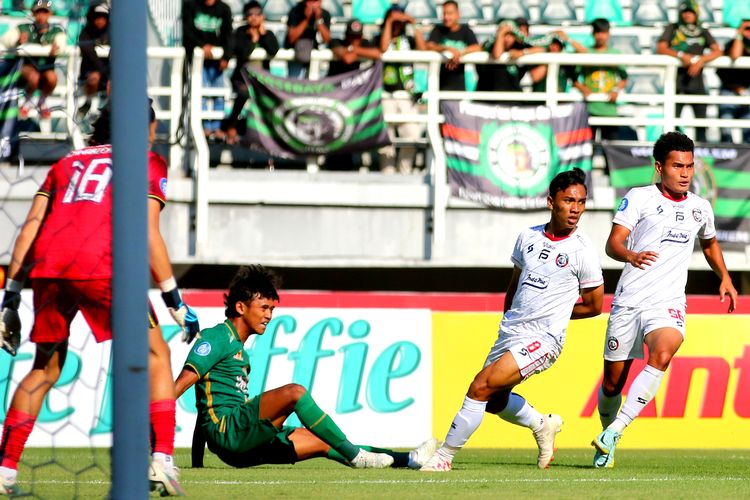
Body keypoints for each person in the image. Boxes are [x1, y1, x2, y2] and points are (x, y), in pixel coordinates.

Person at [0, 102, 201, 496]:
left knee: (43, 368)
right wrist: (173, 298)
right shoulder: (146, 161)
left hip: (49, 266)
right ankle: (161, 459)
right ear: (144, 128)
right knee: (156, 354)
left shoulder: (67, 163)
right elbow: (148, 233)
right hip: (103, 265)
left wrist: (9, 298)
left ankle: (4, 469)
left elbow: (30, 227)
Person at [420, 168, 604, 472]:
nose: (575, 209)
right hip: (512, 331)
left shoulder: (583, 251)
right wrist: (509, 316)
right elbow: (515, 283)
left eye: (581, 202)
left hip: (545, 338)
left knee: (479, 387)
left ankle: (444, 456)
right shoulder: (527, 237)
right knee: (491, 400)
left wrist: (556, 314)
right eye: (568, 200)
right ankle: (542, 424)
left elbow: (594, 306)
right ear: (550, 201)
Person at [175, 265, 438, 470]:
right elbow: (183, 384)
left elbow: (203, 406)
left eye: (272, 309)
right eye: (264, 307)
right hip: (229, 432)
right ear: (240, 307)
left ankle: (410, 459)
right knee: (294, 392)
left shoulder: (240, 350)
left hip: (240, 442)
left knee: (326, 440)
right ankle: (359, 458)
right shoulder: (218, 337)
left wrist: (197, 462)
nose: (269, 315)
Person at [592, 131, 738, 469]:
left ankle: (615, 431)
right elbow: (613, 243)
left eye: (689, 166)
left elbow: (710, 243)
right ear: (660, 167)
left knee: (664, 350)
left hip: (668, 302)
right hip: (630, 301)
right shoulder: (639, 198)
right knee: (613, 383)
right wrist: (630, 255)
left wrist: (726, 278)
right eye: (678, 166)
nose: (685, 173)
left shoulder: (700, 207)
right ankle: (607, 436)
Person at [656, 1, 721, 143]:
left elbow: (717, 51)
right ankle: (673, 156)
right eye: (684, 12)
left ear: (696, 13)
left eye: (690, 12)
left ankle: (702, 158)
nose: (687, 15)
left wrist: (701, 60)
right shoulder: (673, 28)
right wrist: (681, 55)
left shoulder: (702, 29)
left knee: (701, 125)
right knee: (673, 126)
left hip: (697, 84)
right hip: (676, 83)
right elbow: (661, 47)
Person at [375, 5, 426, 174]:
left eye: (399, 21)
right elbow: (383, 48)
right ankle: (387, 172)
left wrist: (413, 23)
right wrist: (390, 21)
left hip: (406, 94)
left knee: (412, 134)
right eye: (393, 20)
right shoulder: (379, 37)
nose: (397, 24)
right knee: (385, 138)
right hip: (385, 93)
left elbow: (423, 50)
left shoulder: (408, 39)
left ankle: (405, 171)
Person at [221, 1, 279, 145]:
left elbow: (273, 50)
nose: (253, 17)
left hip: (262, 79)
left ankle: (262, 132)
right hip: (242, 78)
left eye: (257, 14)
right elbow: (242, 53)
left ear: (262, 16)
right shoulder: (240, 33)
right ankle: (231, 125)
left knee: (268, 100)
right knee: (243, 93)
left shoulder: (268, 33)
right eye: (250, 14)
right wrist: (252, 41)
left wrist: (262, 35)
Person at [0, 0, 67, 119]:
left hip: (45, 72)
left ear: (50, 13)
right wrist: (17, 40)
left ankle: (41, 101)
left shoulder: (56, 31)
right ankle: (27, 103)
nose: (41, 16)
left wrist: (57, 47)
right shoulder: (23, 28)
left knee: (52, 78)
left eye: (45, 12)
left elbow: (61, 44)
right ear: (33, 13)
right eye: (38, 12)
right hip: (25, 71)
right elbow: (5, 40)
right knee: (33, 76)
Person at [182, 0, 233, 141]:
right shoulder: (190, 5)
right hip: (197, 60)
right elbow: (187, 31)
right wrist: (201, 45)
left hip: (216, 62)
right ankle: (203, 127)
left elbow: (228, 34)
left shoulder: (224, 9)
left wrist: (226, 56)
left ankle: (216, 128)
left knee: (218, 93)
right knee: (201, 92)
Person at [571, 19, 628, 142]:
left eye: (603, 32)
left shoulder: (615, 54)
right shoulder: (585, 53)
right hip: (589, 109)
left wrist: (616, 90)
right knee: (587, 148)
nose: (600, 36)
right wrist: (582, 88)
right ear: (593, 34)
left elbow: (624, 78)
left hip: (610, 110)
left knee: (610, 150)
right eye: (597, 32)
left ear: (608, 34)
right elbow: (574, 79)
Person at [425, 0, 480, 92]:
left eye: (449, 13)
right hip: (439, 86)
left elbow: (477, 47)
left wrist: (460, 52)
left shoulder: (466, 31)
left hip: (459, 86)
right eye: (444, 13)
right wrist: (447, 49)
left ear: (458, 14)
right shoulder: (438, 30)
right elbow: (429, 45)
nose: (446, 17)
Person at [716, 19, 750, 144]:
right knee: (726, 131)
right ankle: (726, 161)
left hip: (747, 90)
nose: (748, 32)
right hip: (729, 89)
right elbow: (735, 55)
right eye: (746, 29)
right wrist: (739, 34)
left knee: (748, 133)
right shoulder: (732, 43)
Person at [77, 2, 110, 117]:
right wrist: (104, 72)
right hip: (90, 74)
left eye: (103, 17)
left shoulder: (113, 33)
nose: (99, 20)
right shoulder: (85, 33)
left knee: (116, 81)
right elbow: (90, 54)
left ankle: (106, 108)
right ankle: (88, 103)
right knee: (94, 78)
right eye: (96, 17)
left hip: (108, 74)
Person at [285, 0, 331, 79]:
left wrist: (318, 20)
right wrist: (306, 19)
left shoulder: (325, 14)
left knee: (314, 85)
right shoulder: (296, 11)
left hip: (316, 57)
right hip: (296, 57)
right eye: (311, 1)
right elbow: (291, 38)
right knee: (295, 85)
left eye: (316, 1)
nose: (313, 5)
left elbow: (327, 39)